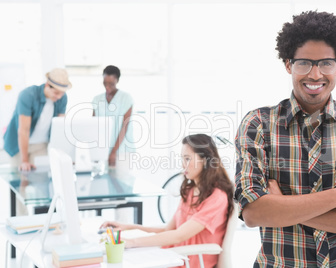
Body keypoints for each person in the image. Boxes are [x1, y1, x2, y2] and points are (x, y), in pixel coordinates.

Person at [234, 11, 336, 268]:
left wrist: (282, 208)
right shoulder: (258, 124)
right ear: (289, 64)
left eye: (326, 63)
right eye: (304, 63)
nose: (316, 75)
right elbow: (253, 213)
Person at [100, 134, 234, 268]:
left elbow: (178, 236)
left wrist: (130, 242)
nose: (183, 164)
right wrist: (128, 227)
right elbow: (167, 230)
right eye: (182, 159)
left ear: (205, 161)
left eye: (187, 159)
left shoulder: (216, 198)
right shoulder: (190, 190)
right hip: (174, 257)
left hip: (189, 262)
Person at [3, 68, 71, 171]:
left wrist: (66, 156)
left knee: (41, 180)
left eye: (62, 93)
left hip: (40, 145)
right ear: (47, 85)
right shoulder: (28, 95)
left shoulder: (62, 98)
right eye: (56, 93)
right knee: (20, 181)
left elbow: (60, 128)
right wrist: (24, 161)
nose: (59, 97)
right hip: (18, 145)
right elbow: (23, 130)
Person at [92, 65, 135, 168]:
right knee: (103, 183)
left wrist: (113, 152)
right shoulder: (97, 99)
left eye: (111, 84)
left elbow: (125, 127)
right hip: (102, 151)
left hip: (122, 151)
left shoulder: (126, 98)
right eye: (105, 83)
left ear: (117, 80)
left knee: (123, 182)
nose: (107, 87)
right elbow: (93, 126)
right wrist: (94, 151)